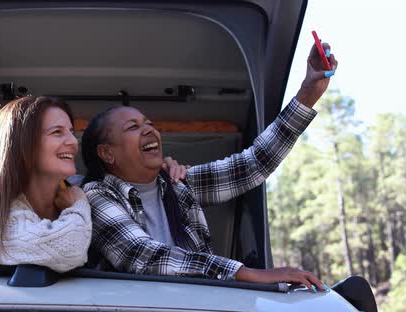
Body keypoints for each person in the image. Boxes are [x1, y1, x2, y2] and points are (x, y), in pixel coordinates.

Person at [80, 42, 338, 290]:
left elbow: (254, 164)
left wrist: (308, 94)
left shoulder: (179, 184)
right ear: (107, 153)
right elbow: (143, 256)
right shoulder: (96, 195)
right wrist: (244, 272)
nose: (149, 129)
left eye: (148, 123)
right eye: (133, 127)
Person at [0, 96, 91, 274]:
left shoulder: (87, 189)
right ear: (22, 144)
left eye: (71, 131)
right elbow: (67, 251)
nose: (73, 141)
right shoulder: (0, 218)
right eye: (57, 132)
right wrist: (78, 206)